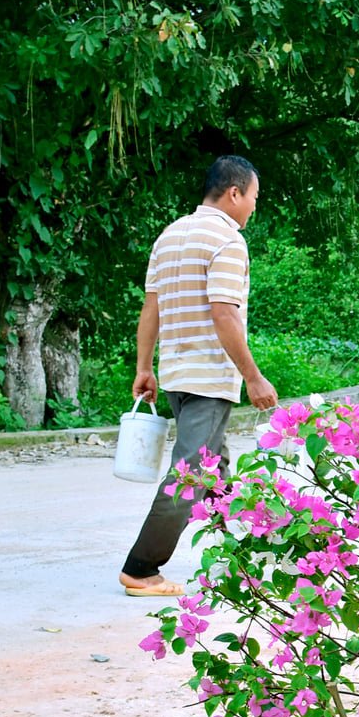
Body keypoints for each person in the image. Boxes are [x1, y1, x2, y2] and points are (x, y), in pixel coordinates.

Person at [117, 156, 278, 598]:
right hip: (208, 376)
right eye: (253, 199)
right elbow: (224, 314)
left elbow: (151, 309)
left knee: (216, 471)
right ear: (234, 193)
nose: (253, 209)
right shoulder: (227, 240)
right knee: (190, 475)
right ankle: (141, 567)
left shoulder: (169, 236)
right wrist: (253, 376)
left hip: (175, 373)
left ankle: (243, 563)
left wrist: (144, 368)